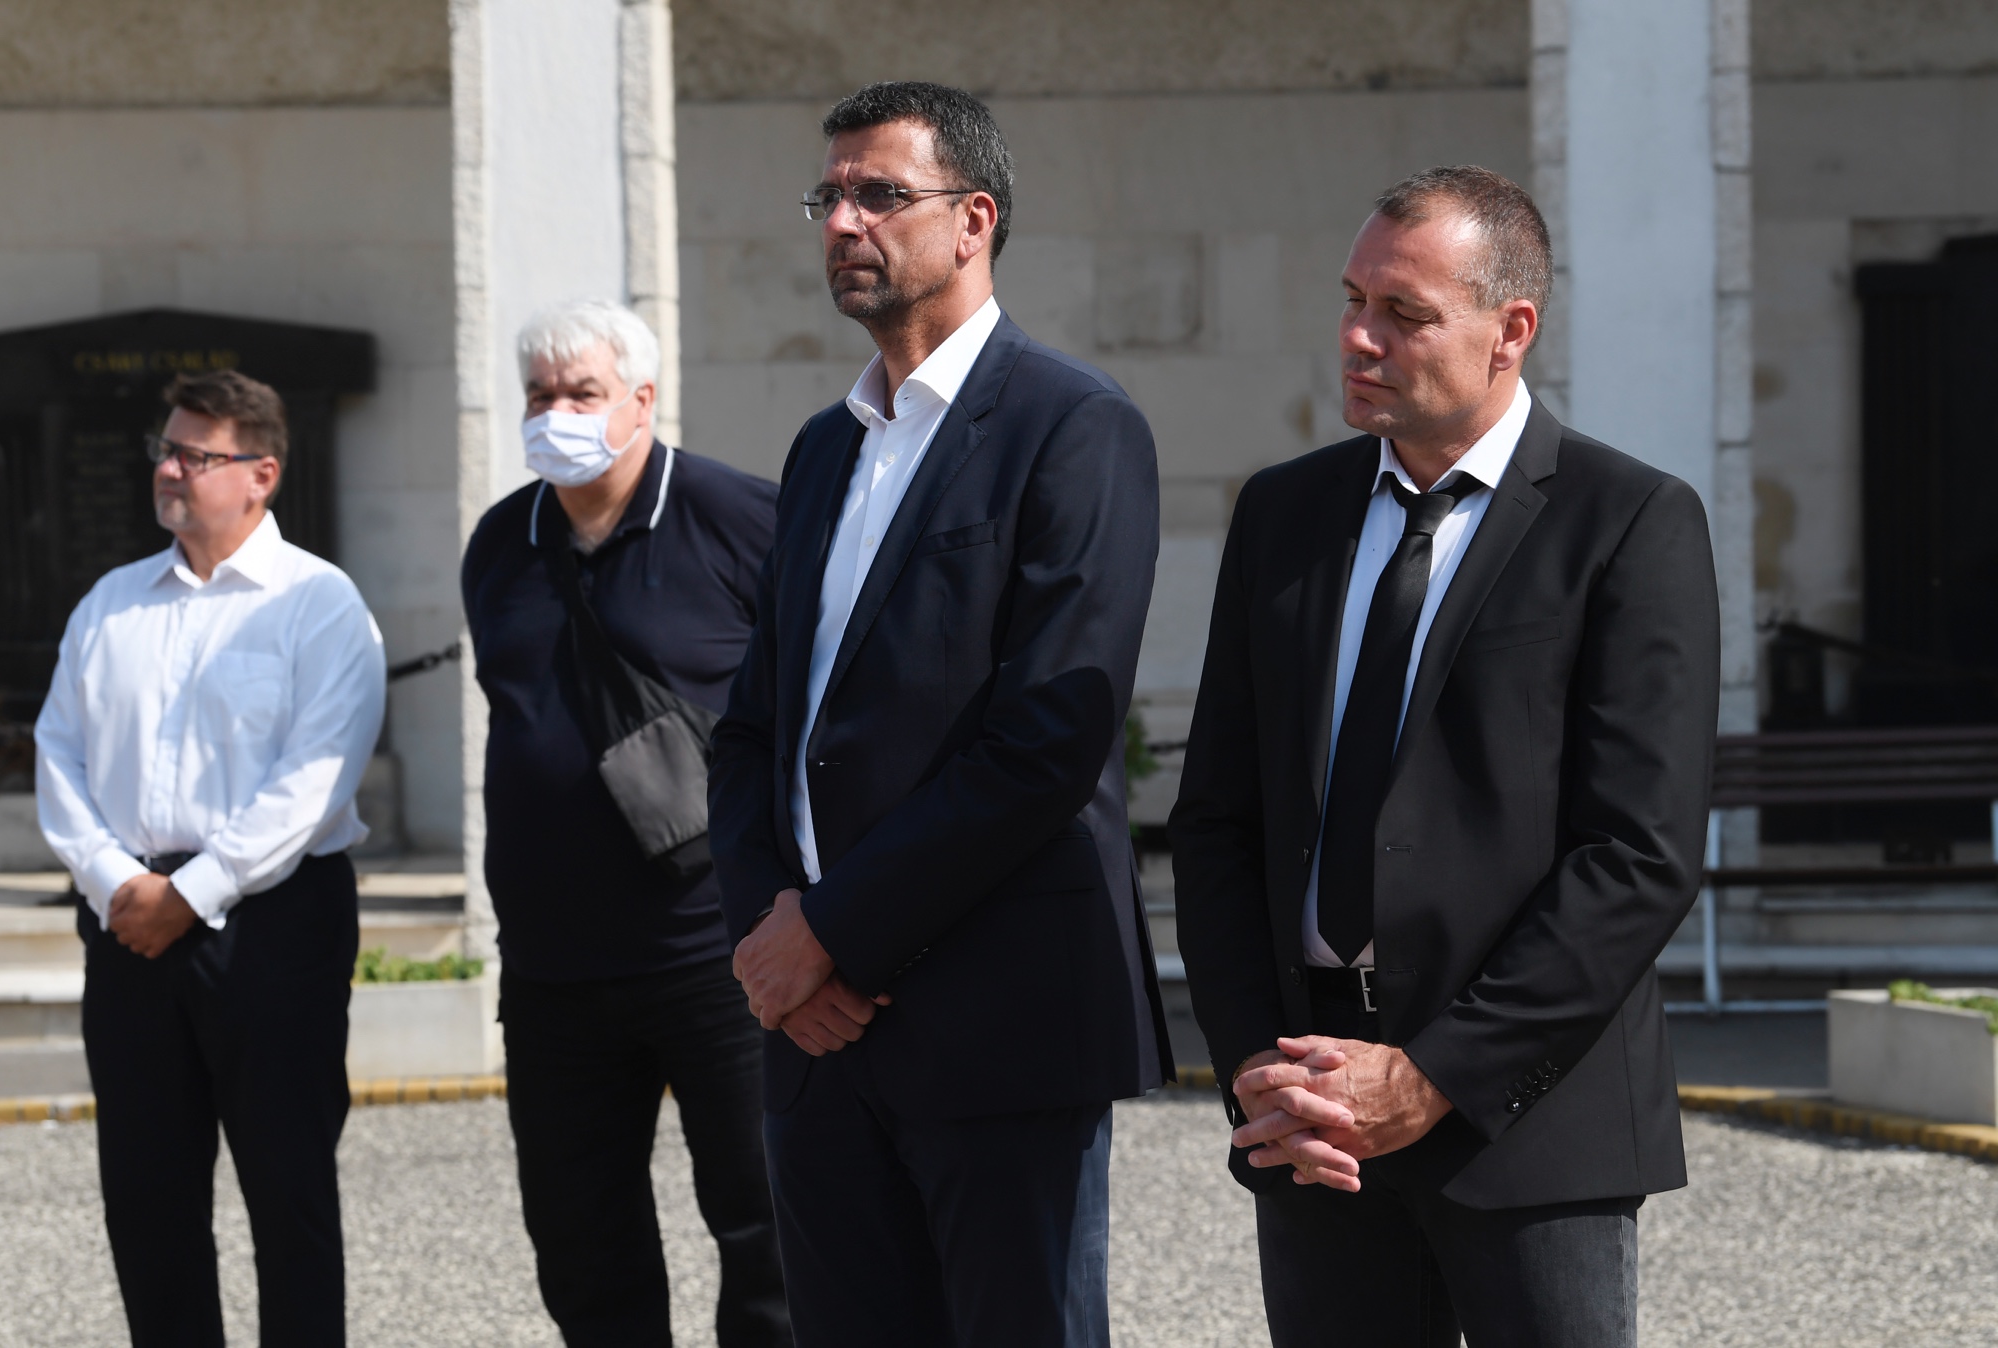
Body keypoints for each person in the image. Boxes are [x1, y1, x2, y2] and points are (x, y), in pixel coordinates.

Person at [1170, 165, 1720, 1347]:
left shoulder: (1626, 521)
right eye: (1350, 299)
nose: (1357, 338)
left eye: (1403, 313)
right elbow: (1218, 817)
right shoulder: (1280, 514)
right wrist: (1256, 1063)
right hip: (1311, 1106)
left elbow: (1637, 855)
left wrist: (1432, 1077)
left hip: (1527, 1118)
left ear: (1508, 331)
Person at [708, 81, 1169, 1348]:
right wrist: (770, 936)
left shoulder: (1073, 427)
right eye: (828, 195)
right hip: (816, 1036)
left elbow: (1044, 744)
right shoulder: (824, 448)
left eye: (878, 194)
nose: (841, 221)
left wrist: (830, 934)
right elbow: (752, 730)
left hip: (997, 1019)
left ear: (973, 220)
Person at [461, 298, 789, 1346]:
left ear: (642, 402)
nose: (556, 414)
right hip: (552, 970)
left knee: (768, 1230)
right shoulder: (499, 543)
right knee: (581, 1243)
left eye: (583, 393)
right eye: (539, 396)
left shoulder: (740, 519)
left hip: (717, 955)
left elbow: (817, 713)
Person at [34, 369, 386, 1347]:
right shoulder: (110, 604)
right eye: (167, 448)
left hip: (273, 926)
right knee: (146, 1195)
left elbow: (315, 778)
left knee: (289, 1192)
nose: (168, 469)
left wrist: (191, 892)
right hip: (129, 923)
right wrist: (115, 881)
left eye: (195, 454)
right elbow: (57, 753)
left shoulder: (318, 602)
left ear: (261, 474)